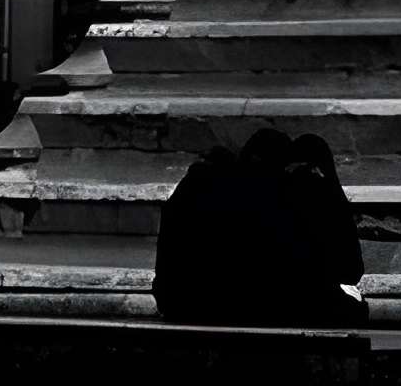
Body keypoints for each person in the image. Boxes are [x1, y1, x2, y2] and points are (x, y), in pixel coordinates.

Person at [154, 127, 364, 327]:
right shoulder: (297, 196)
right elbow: (350, 269)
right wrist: (325, 183)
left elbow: (165, 276)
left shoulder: (203, 187)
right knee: (353, 306)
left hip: (189, 306)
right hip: (283, 307)